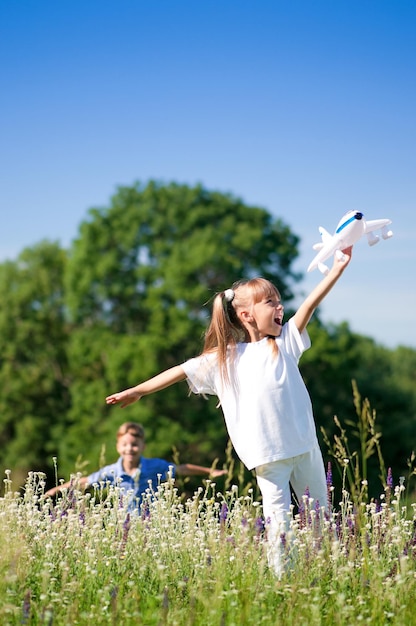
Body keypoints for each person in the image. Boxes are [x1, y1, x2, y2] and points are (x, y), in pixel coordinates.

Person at [106, 248, 352, 575]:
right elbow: (179, 370)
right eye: (270, 302)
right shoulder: (225, 358)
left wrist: (336, 268)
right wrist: (137, 390)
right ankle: (284, 581)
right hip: (268, 456)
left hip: (305, 446)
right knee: (279, 519)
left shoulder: (285, 342)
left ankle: (326, 572)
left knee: (321, 514)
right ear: (247, 315)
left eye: (279, 301)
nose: (280, 307)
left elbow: (309, 305)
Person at [45, 421, 227, 510]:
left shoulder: (154, 466)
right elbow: (85, 481)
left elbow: (182, 468)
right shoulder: (111, 472)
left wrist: (209, 471)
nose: (129, 449)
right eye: (125, 444)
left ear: (142, 446)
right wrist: (57, 490)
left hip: (152, 524)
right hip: (124, 526)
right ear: (118, 447)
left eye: (134, 444)